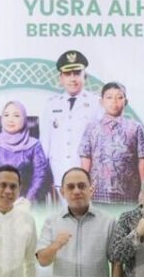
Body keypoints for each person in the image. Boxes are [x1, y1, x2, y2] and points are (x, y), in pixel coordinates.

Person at [40, 50, 102, 191]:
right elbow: (45, 141)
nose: (73, 79)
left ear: (85, 76)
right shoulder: (51, 104)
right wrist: (44, 175)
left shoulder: (97, 103)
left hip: (86, 171)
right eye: (68, 74)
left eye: (77, 73)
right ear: (61, 78)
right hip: (58, 170)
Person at [80, 82, 144, 205]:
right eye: (109, 97)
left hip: (129, 193)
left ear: (125, 101)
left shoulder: (135, 128)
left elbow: (142, 160)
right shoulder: (91, 128)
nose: (114, 101)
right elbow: (86, 158)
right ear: (101, 102)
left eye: (119, 97)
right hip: (97, 192)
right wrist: (83, 186)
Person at [0, 101, 51, 203]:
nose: (10, 120)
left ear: (24, 119)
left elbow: (40, 176)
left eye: (16, 115)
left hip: (23, 199)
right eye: (6, 115)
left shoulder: (34, 145)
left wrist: (27, 199)